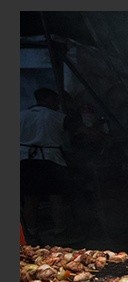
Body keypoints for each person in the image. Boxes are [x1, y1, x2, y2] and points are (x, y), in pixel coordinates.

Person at [20, 87, 79, 244]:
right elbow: (76, 129)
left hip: (25, 160)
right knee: (55, 196)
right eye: (55, 101)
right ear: (47, 100)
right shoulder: (55, 116)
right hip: (50, 159)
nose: (57, 104)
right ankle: (59, 231)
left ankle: (32, 232)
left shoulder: (20, 116)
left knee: (30, 197)